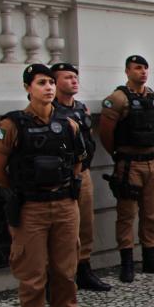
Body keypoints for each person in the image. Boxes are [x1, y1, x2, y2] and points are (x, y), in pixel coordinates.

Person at [0, 64, 95, 307]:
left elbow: (77, 162)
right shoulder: (12, 125)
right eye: (41, 83)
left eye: (50, 82)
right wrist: (24, 192)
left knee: (64, 271)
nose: (48, 87)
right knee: (33, 276)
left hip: (63, 205)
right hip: (31, 208)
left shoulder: (69, 124)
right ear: (28, 88)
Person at [98, 55, 154, 282]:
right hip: (129, 163)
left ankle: (150, 257)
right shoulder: (117, 99)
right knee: (126, 214)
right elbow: (106, 133)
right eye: (137, 68)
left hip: (151, 162)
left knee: (151, 212)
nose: (142, 72)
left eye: (145, 68)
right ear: (127, 71)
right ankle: (127, 262)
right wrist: (119, 155)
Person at [51, 62, 111, 292]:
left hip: (82, 173)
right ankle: (61, 276)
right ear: (55, 82)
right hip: (59, 177)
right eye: (67, 77)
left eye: (75, 76)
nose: (74, 80)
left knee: (85, 224)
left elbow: (90, 139)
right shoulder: (50, 110)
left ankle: (84, 269)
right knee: (62, 229)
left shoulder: (81, 108)